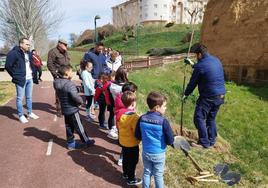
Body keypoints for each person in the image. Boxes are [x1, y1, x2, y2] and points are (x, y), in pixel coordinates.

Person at [183, 43, 226, 148]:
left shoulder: (200, 66)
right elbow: (205, 68)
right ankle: (211, 141)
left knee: (199, 118)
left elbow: (193, 83)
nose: (196, 58)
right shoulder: (216, 60)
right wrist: (192, 64)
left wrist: (185, 94)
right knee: (211, 119)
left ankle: (204, 143)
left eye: (196, 56)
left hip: (209, 97)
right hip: (221, 95)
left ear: (200, 55)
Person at [135, 91, 174, 188]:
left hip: (146, 152)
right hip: (159, 154)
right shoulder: (163, 122)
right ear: (157, 107)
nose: (165, 108)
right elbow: (170, 141)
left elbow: (138, 136)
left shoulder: (142, 118)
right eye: (164, 106)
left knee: (147, 172)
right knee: (158, 175)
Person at [53, 65, 95, 150]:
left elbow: (65, 91)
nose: (72, 73)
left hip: (65, 108)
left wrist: (76, 89)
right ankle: (86, 140)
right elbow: (75, 96)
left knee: (68, 126)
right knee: (79, 126)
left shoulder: (56, 82)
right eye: (71, 72)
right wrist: (81, 101)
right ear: (67, 73)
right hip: (72, 109)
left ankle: (70, 143)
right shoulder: (69, 84)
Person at [5, 37, 39, 123]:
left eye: (29, 44)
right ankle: (21, 115)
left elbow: (31, 64)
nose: (29, 46)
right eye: (27, 44)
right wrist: (15, 76)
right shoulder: (13, 53)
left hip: (29, 79)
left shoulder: (29, 53)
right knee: (20, 98)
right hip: (20, 79)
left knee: (29, 97)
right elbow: (8, 66)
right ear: (21, 44)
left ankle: (30, 113)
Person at [118, 91, 142, 186]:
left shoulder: (122, 115)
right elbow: (136, 131)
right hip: (132, 143)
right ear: (133, 103)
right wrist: (140, 138)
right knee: (133, 161)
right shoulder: (134, 117)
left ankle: (125, 173)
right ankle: (131, 179)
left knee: (126, 159)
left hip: (124, 142)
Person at [115, 82, 138, 166]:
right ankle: (122, 159)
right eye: (134, 92)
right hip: (126, 130)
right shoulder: (127, 110)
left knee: (123, 142)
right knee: (126, 145)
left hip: (120, 125)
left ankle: (123, 159)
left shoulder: (119, 97)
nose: (135, 93)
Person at [47, 39, 70, 116]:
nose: (66, 46)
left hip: (67, 75)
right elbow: (50, 64)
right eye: (64, 44)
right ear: (59, 44)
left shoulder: (65, 52)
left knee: (67, 92)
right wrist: (55, 75)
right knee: (59, 93)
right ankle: (59, 109)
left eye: (66, 45)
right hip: (59, 76)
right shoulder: (53, 52)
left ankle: (65, 107)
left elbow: (68, 62)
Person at [107, 67, 129, 140]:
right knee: (124, 123)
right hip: (125, 107)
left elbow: (110, 95)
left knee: (115, 118)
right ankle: (122, 139)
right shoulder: (125, 87)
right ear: (124, 75)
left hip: (114, 104)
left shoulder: (111, 85)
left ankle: (112, 130)